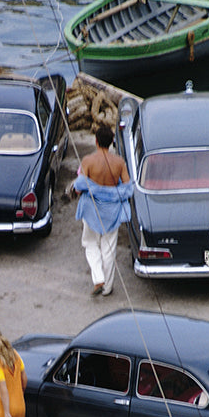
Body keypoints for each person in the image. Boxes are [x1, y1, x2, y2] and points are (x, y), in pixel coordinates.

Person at [71, 125, 133, 296]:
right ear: (111, 143)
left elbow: (79, 187)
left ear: (96, 142)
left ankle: (98, 278)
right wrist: (111, 191)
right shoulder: (119, 162)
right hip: (112, 210)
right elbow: (128, 189)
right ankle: (107, 288)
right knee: (109, 248)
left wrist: (93, 188)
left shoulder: (88, 161)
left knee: (90, 243)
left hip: (92, 209)